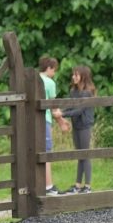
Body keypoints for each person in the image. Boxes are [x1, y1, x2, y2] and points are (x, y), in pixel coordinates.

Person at [59, 65, 96, 194]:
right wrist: (61, 113)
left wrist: (62, 114)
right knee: (80, 155)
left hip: (85, 126)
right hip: (76, 126)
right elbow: (71, 108)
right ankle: (78, 185)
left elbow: (79, 111)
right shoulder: (73, 92)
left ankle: (88, 186)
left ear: (83, 77)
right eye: (73, 74)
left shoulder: (87, 92)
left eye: (76, 75)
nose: (73, 77)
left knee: (85, 155)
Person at [39, 57, 69, 195]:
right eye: (54, 70)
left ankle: (38, 185)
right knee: (47, 153)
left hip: (31, 122)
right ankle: (48, 186)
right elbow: (54, 109)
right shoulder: (49, 83)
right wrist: (62, 122)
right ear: (49, 68)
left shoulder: (33, 80)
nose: (54, 73)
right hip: (44, 121)